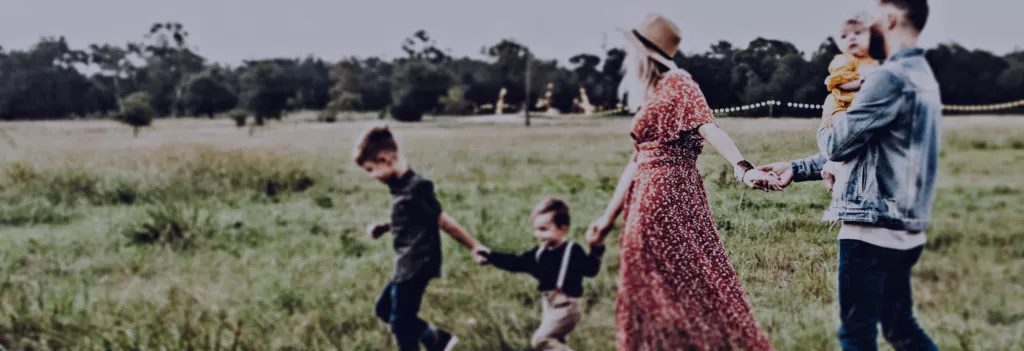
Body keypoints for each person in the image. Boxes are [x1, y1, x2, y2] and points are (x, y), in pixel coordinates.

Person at [585, 13, 777, 350]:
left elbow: (709, 127)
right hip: (648, 197)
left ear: (644, 52)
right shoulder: (655, 91)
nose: (626, 55)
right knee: (664, 288)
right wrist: (607, 219)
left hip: (667, 198)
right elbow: (637, 159)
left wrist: (743, 168)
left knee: (690, 286)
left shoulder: (679, 83)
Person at [759, 1, 940, 350]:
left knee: (857, 336)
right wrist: (797, 168)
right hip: (905, 228)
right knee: (901, 330)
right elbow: (869, 149)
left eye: (875, 18)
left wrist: (831, 110)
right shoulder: (922, 75)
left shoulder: (888, 78)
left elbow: (837, 144)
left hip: (870, 230)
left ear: (890, 19)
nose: (869, 26)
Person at [356, 125, 490, 351]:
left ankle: (437, 340)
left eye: (371, 169)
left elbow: (441, 219)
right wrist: (386, 227)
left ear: (384, 159)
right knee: (384, 309)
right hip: (405, 264)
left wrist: (474, 246)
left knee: (401, 321)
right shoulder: (399, 185)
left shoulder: (417, 186)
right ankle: (435, 339)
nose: (372, 176)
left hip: (417, 263)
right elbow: (413, 216)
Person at [476, 198, 604, 351]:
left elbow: (590, 270)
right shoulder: (539, 254)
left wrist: (596, 249)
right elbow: (516, 262)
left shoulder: (572, 251)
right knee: (555, 342)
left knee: (541, 340)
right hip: (549, 306)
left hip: (567, 307)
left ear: (563, 229)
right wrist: (491, 257)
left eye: (544, 229)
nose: (538, 235)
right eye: (536, 229)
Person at [821, 11, 881, 193]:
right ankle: (831, 168)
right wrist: (860, 83)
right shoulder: (844, 59)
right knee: (844, 134)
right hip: (842, 104)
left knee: (853, 143)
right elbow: (838, 81)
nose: (851, 38)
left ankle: (830, 169)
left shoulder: (872, 61)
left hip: (857, 106)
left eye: (858, 33)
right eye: (844, 36)